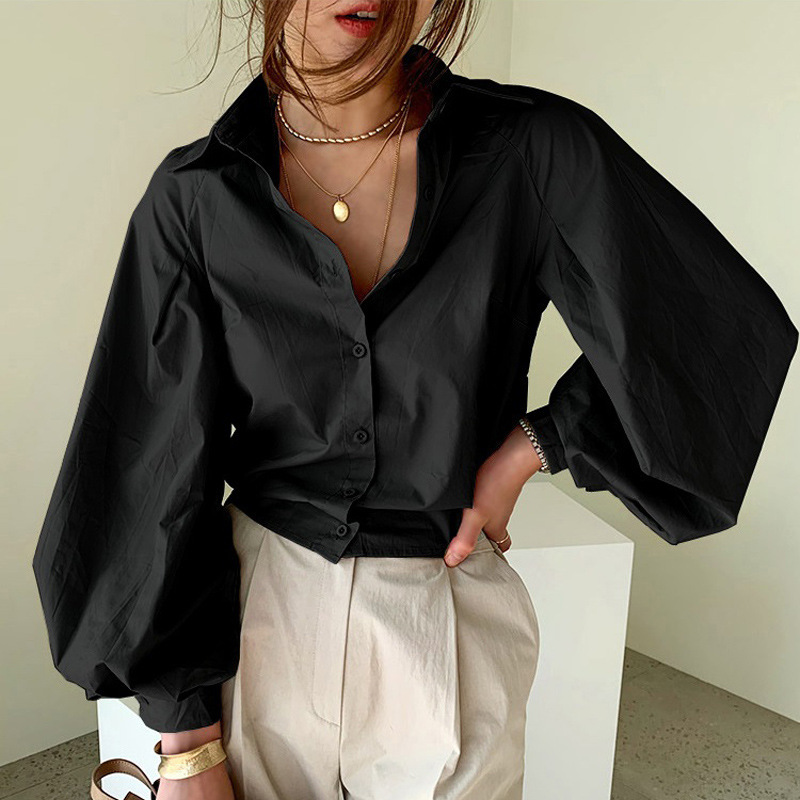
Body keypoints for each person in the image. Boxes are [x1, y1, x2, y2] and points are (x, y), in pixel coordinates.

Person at [32, 1, 798, 799]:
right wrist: (188, 744)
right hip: (259, 623)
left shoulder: (527, 151)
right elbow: (146, 466)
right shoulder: (195, 198)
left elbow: (710, 330)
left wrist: (538, 444)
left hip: (450, 620)